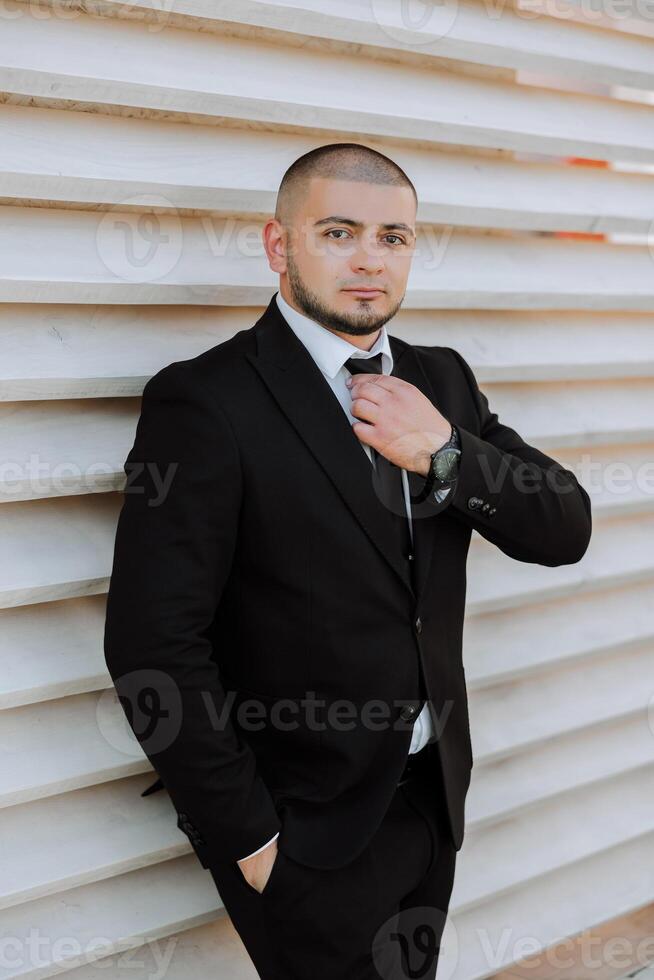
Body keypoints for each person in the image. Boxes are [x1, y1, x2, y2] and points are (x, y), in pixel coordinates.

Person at [104, 142, 592, 979]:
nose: (370, 258)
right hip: (302, 829)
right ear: (278, 245)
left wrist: (445, 455)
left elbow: (563, 526)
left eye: (394, 238)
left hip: (431, 798)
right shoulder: (205, 401)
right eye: (337, 232)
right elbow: (152, 644)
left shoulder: (442, 381)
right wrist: (250, 838)